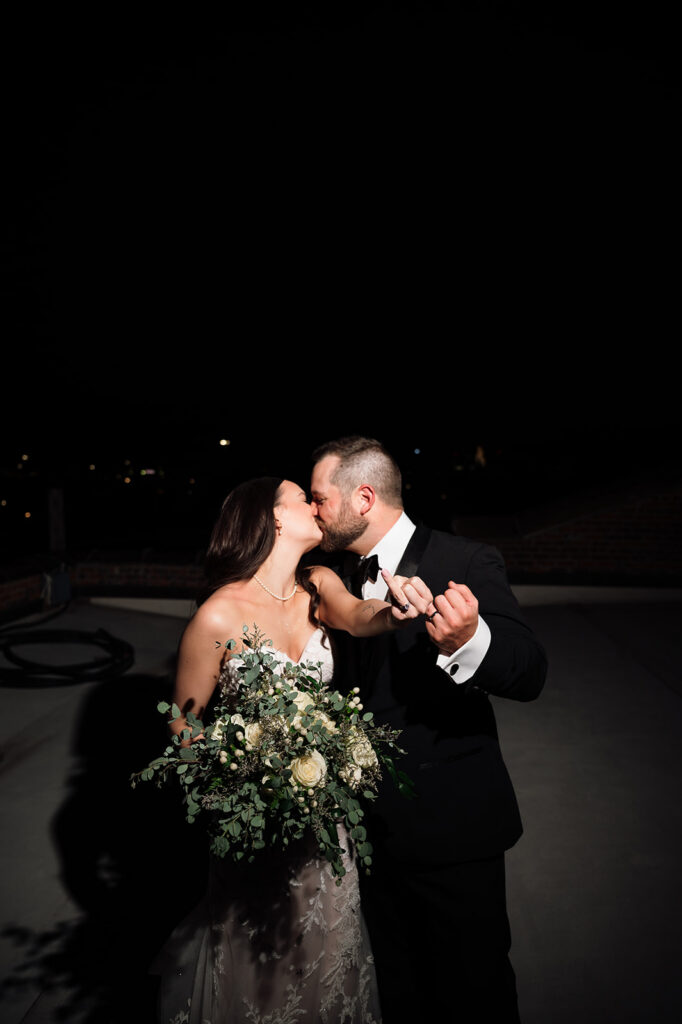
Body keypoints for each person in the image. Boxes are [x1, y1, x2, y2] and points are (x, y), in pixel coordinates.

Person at [153, 476, 434, 1024]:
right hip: (256, 829)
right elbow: (183, 724)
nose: (315, 504)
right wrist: (236, 784)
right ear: (274, 517)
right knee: (260, 963)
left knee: (326, 957)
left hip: (325, 823)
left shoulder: (319, 583)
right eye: (303, 498)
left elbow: (358, 616)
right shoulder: (218, 615)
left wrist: (391, 613)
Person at [310, 437, 548, 1024]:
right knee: (397, 991)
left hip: (452, 832)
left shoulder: (465, 559)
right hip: (362, 835)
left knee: (474, 994)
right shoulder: (330, 575)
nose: (314, 512)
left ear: (363, 498)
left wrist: (469, 640)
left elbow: (529, 670)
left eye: (320, 499)